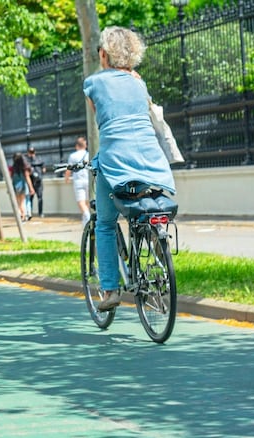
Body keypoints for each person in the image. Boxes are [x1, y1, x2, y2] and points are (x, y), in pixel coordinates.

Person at [84, 26, 175, 311]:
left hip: (117, 162)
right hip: (153, 161)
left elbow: (103, 120)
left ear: (103, 53)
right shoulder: (139, 82)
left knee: (106, 224)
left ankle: (110, 290)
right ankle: (156, 244)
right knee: (147, 206)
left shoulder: (93, 83)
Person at [64, 137, 91, 226]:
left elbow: (69, 169)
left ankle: (87, 216)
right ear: (85, 145)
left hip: (78, 181)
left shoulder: (73, 156)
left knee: (81, 202)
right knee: (87, 201)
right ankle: (85, 220)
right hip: (89, 179)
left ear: (77, 146)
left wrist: (66, 178)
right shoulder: (89, 154)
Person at [11, 152, 34, 222]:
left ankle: (20, 215)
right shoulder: (24, 168)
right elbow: (27, 178)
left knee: (18, 202)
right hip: (23, 186)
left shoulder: (13, 168)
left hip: (15, 186)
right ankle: (23, 216)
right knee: (22, 202)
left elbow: (11, 178)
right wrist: (31, 188)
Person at [26, 147, 45, 219]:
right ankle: (29, 213)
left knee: (40, 198)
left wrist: (41, 172)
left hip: (38, 182)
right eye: (30, 152)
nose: (31, 154)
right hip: (31, 182)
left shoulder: (39, 159)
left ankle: (40, 213)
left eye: (32, 152)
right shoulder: (27, 161)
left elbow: (44, 169)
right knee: (30, 198)